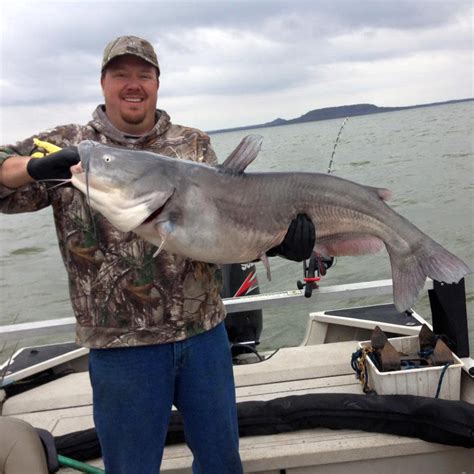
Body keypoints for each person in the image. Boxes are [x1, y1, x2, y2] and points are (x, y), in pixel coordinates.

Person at [0, 36, 315, 473]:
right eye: (121, 74)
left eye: (143, 74)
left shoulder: (193, 144)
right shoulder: (70, 146)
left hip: (203, 335)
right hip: (121, 349)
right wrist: (33, 168)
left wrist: (279, 242)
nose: (134, 84)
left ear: (157, 83)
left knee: (222, 462)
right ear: (103, 82)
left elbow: (227, 225)